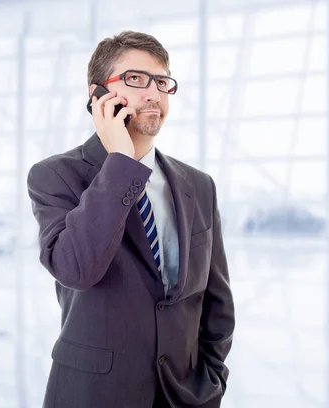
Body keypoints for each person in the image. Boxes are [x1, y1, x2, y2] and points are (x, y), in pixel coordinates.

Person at [26, 31, 235, 408]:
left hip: (185, 395)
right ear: (98, 97)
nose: (153, 92)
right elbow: (76, 269)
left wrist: (212, 377)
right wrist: (121, 163)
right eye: (136, 80)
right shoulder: (55, 176)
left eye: (162, 81)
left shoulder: (199, 186)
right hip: (94, 395)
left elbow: (216, 302)